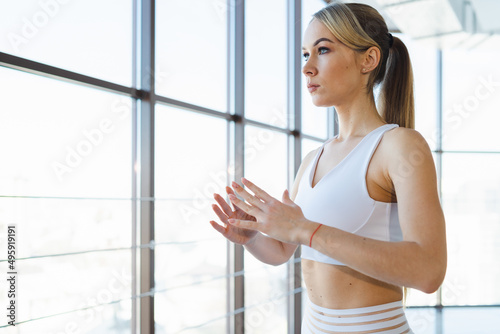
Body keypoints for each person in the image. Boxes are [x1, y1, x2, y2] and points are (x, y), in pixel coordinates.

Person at [209, 2, 447, 333]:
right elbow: (282, 251)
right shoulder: (312, 159)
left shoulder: (399, 146)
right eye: (305, 54)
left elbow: (428, 271)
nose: (308, 68)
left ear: (369, 59)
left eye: (322, 50)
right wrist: (251, 238)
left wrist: (306, 229)